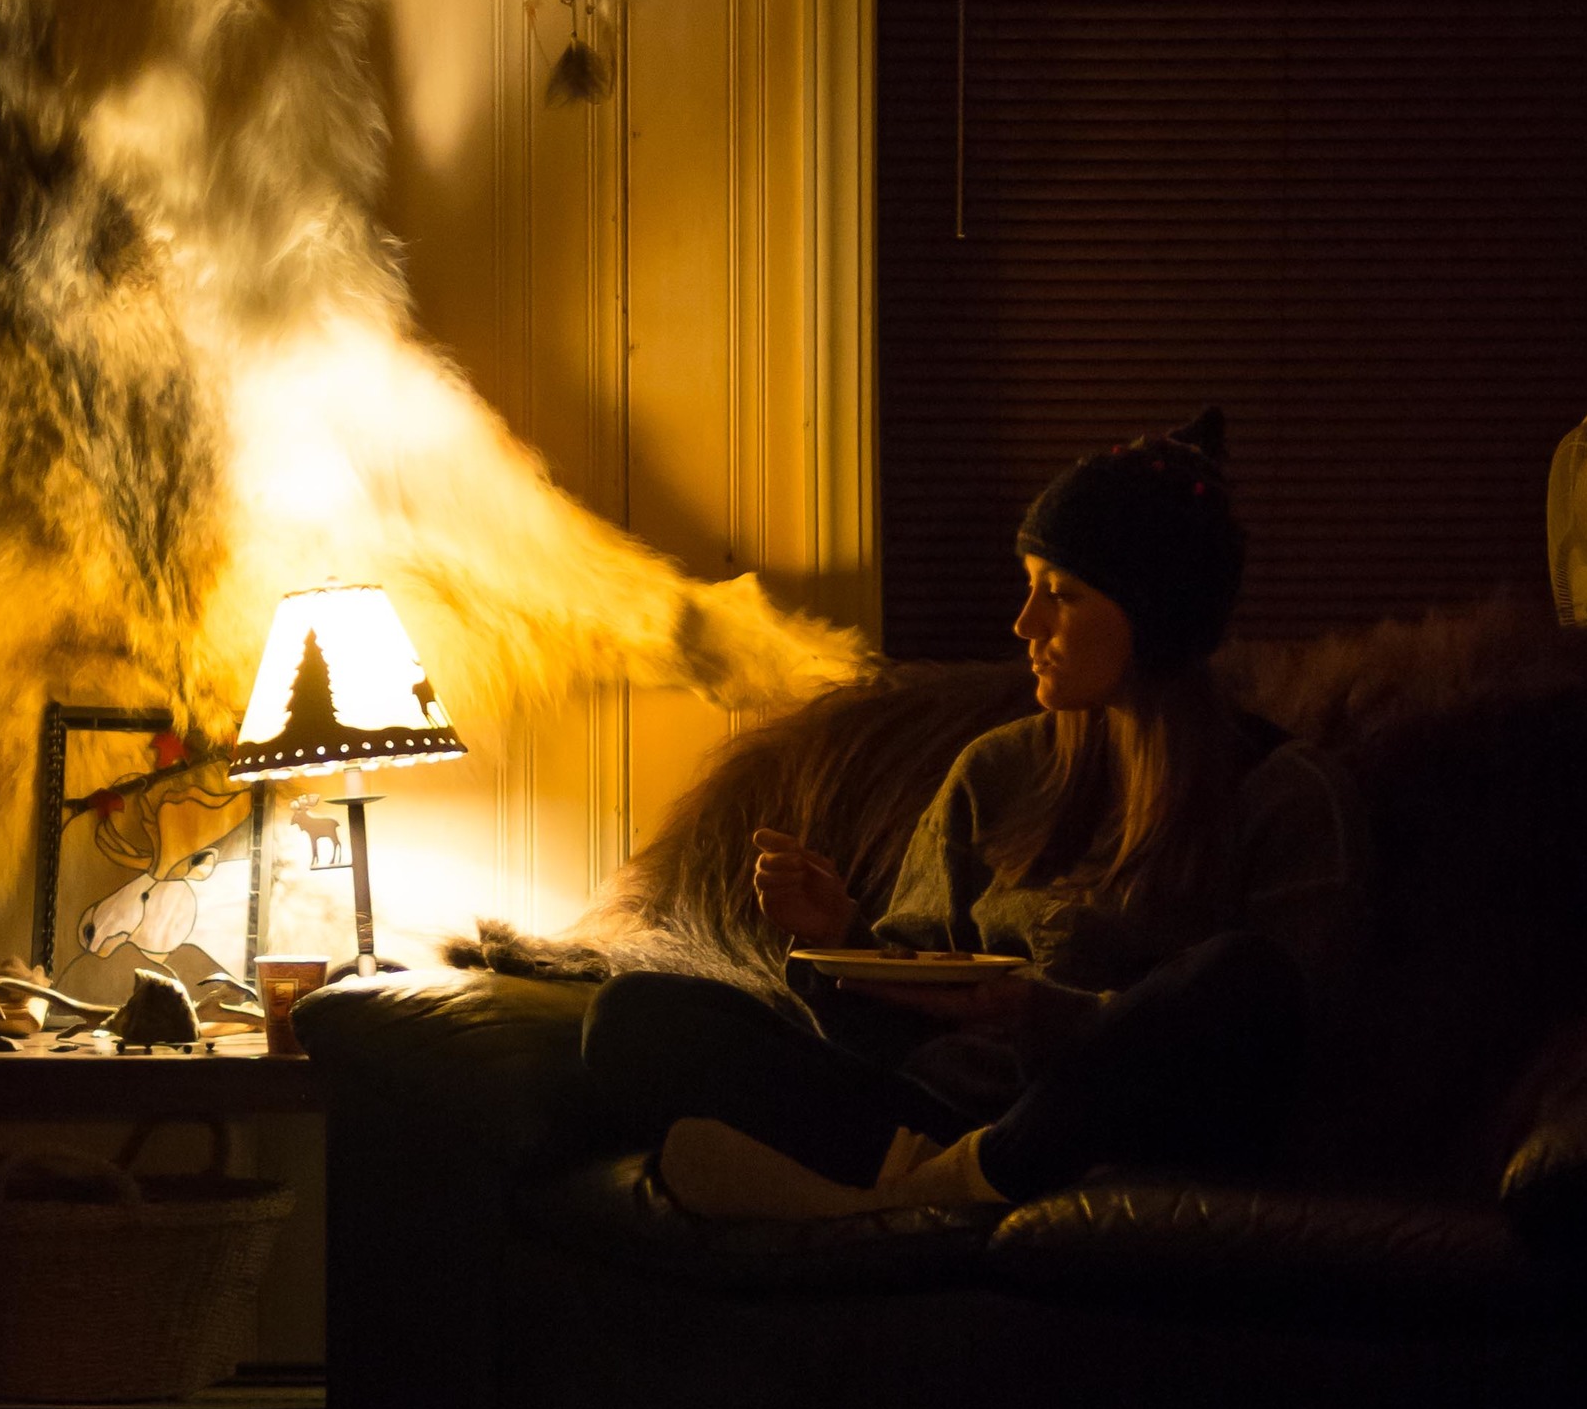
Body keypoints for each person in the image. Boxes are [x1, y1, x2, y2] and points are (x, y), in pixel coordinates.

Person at [581, 409, 1362, 1219]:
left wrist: (1038, 1011)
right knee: (635, 1015)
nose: (1026, 625)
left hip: (1118, 1133)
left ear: (1156, 618)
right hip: (947, 1118)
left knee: (1241, 975)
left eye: (1061, 594)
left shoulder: (1285, 795)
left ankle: (915, 1194)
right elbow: (911, 1011)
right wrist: (840, 940)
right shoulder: (998, 770)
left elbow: (1290, 1050)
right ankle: (927, 1182)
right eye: (1029, 589)